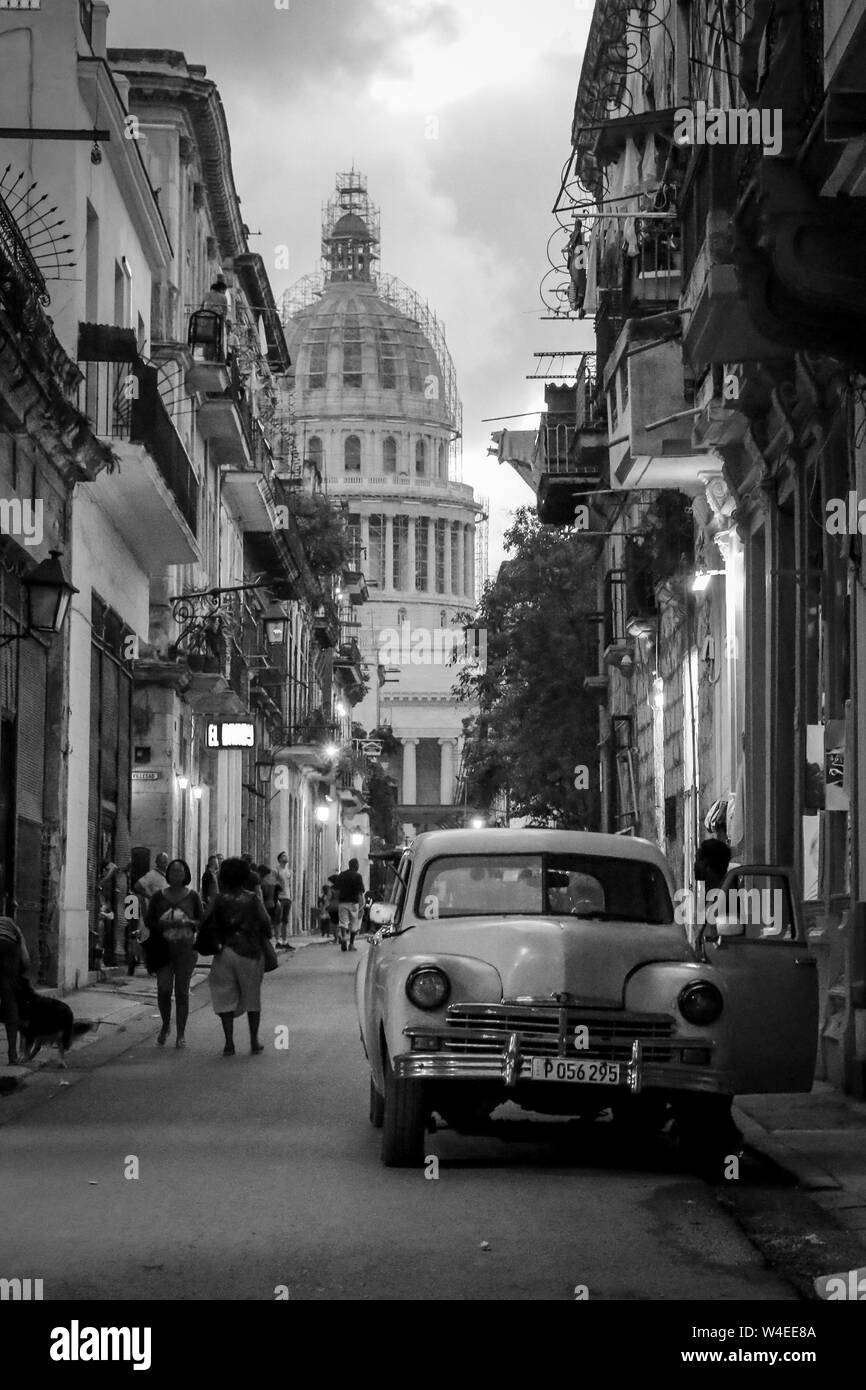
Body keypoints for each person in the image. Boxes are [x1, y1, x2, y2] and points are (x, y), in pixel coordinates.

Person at [202, 857, 273, 1056]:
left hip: (224, 951)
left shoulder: (218, 899)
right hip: (250, 952)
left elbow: (204, 922)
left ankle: (229, 1043)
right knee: (252, 996)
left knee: (224, 996)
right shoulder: (251, 899)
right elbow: (266, 924)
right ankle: (253, 1040)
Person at [143, 859, 202, 1049]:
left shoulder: (193, 896)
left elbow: (201, 920)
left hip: (186, 950)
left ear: (186, 874)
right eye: (173, 871)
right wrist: (165, 924)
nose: (177, 874)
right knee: (164, 989)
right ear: (168, 874)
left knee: (182, 992)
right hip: (163, 950)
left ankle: (181, 1034)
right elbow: (149, 920)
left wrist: (189, 923)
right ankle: (166, 1024)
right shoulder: (158, 897)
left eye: (180, 871)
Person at [0, 916, 29, 1065]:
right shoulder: (14, 928)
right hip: (10, 958)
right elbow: (26, 961)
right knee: (10, 1006)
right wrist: (19, 973)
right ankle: (12, 1055)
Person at [331, 857, 365, 952]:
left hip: (342, 902)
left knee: (343, 922)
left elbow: (336, 888)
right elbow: (362, 890)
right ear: (356, 866)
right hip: (354, 903)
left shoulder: (341, 875)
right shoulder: (358, 876)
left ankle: (343, 938)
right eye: (358, 865)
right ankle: (351, 944)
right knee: (354, 924)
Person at [275, 852, 293, 942]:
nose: (285, 857)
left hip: (287, 898)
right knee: (278, 919)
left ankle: (284, 940)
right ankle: (278, 939)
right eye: (283, 856)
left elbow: (288, 885)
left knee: (285, 920)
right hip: (280, 897)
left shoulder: (288, 871)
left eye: (286, 855)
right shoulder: (276, 870)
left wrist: (291, 896)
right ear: (279, 859)